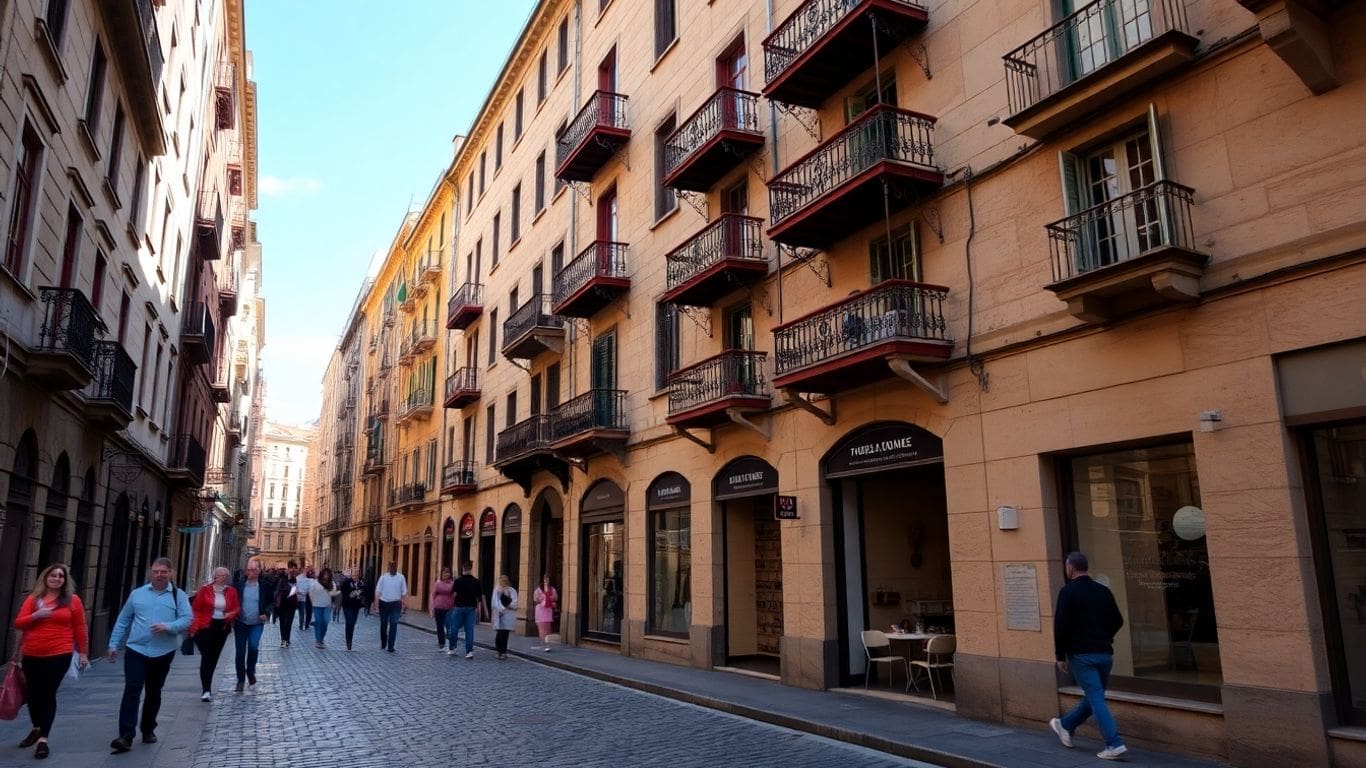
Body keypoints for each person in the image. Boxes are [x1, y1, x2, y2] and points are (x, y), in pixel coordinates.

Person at [106, 557, 193, 754]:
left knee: (154, 691)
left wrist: (168, 627)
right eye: (155, 571)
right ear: (150, 572)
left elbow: (187, 619)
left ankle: (148, 729)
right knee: (132, 688)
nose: (159, 575)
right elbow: (123, 620)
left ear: (171, 573)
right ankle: (125, 735)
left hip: (163, 652)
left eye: (163, 572)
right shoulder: (137, 594)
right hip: (136, 649)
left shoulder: (178, 596)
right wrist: (113, 643)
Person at [1050, 551, 1127, 761]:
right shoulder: (1103, 591)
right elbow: (1118, 620)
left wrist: (1060, 655)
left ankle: (1114, 743)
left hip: (1081, 655)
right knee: (1095, 696)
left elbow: (1060, 626)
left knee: (1095, 698)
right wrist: (1104, 637)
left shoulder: (1068, 592)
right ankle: (1065, 725)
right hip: (1104, 654)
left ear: (1070, 568)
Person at [12, 563, 89, 760]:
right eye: (53, 575)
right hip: (31, 653)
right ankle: (37, 727)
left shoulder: (73, 601)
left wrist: (83, 652)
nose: (56, 579)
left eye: (60, 576)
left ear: (65, 580)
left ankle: (43, 740)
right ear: (45, 578)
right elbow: (19, 623)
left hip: (59, 653)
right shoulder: (33, 599)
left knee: (47, 693)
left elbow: (80, 626)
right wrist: (36, 615)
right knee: (32, 694)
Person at [188, 566, 239, 702]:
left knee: (214, 657)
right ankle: (206, 689)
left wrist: (230, 614)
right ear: (214, 576)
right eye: (219, 575)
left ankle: (207, 687)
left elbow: (235, 608)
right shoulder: (205, 590)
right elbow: (196, 609)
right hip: (205, 626)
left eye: (224, 575)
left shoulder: (231, 591)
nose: (221, 577)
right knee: (207, 656)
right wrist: (194, 628)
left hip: (221, 627)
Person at [232, 558, 273, 692]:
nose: (250, 572)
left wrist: (266, 613)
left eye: (253, 570)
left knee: (254, 648)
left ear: (259, 571)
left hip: (256, 623)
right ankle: (240, 679)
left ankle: (250, 671)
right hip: (241, 623)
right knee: (240, 653)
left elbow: (271, 603)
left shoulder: (265, 586)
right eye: (248, 569)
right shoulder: (238, 585)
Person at [448, 561, 484, 659]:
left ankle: (452, 648)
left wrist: (452, 606)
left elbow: (454, 594)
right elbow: (479, 597)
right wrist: (479, 610)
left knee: (454, 628)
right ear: (471, 569)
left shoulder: (458, 581)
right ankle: (469, 652)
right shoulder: (476, 581)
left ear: (462, 568)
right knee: (469, 630)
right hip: (471, 608)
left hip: (459, 607)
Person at [373, 561, 407, 653]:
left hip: (396, 604)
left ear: (396, 567)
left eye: (394, 567)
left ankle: (391, 645)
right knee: (383, 624)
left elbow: (404, 593)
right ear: (388, 568)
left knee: (393, 624)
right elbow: (378, 592)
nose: (393, 568)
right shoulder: (383, 578)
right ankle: (384, 641)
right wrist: (377, 606)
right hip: (384, 603)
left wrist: (403, 605)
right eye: (391, 567)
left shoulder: (401, 578)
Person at [309, 568, 339, 649]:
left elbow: (333, 594)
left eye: (327, 574)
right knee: (319, 622)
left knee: (325, 621)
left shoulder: (332, 583)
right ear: (322, 574)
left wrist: (338, 593)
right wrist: (313, 602)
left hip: (327, 605)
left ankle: (321, 638)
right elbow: (311, 593)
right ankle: (318, 641)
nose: (326, 576)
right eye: (324, 574)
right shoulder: (315, 582)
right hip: (317, 605)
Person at [490, 575, 519, 660]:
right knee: (500, 633)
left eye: (505, 580)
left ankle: (504, 651)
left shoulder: (512, 590)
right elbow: (495, 602)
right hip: (500, 614)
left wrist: (508, 607)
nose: (503, 582)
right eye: (502, 580)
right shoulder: (497, 590)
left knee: (505, 633)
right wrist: (501, 610)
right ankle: (499, 651)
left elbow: (515, 601)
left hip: (508, 614)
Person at [338, 567, 367, 651]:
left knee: (352, 623)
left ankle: (349, 639)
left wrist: (361, 596)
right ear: (351, 574)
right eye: (353, 573)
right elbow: (342, 592)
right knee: (349, 622)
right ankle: (348, 642)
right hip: (347, 606)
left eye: (356, 573)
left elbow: (365, 592)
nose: (355, 575)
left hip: (356, 606)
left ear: (359, 574)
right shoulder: (347, 582)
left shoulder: (362, 582)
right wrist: (351, 595)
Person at [274, 562, 300, 648]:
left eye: (294, 568)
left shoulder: (297, 579)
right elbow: (278, 590)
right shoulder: (283, 579)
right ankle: (283, 639)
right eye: (291, 568)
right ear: (288, 569)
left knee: (289, 622)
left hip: (292, 604)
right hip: (283, 604)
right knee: (283, 622)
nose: (293, 570)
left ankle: (287, 639)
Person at [430, 567, 455, 653]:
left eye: (448, 572)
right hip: (438, 607)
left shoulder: (453, 584)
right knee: (439, 627)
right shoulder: (438, 584)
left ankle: (451, 645)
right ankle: (441, 644)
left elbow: (455, 595)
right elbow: (433, 595)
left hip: (449, 608)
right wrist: (432, 607)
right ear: (442, 574)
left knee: (449, 626)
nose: (446, 574)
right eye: (444, 572)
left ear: (450, 574)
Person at [533, 575, 557, 652]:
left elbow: (555, 598)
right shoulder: (538, 590)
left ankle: (547, 644)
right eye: (545, 580)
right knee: (542, 628)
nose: (546, 581)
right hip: (540, 610)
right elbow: (536, 600)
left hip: (548, 611)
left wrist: (551, 601)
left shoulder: (552, 589)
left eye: (547, 580)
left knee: (548, 629)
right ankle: (545, 645)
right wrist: (543, 599)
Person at [296, 567, 314, 631]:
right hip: (301, 597)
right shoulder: (298, 578)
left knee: (306, 611)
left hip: (307, 596)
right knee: (302, 612)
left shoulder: (310, 578)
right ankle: (302, 624)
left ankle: (305, 624)